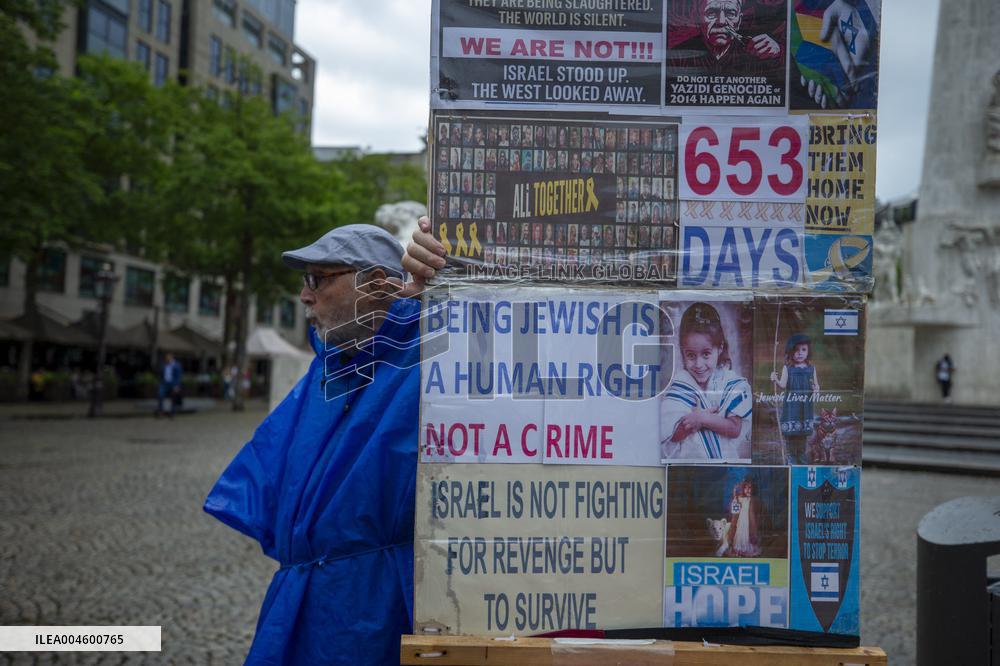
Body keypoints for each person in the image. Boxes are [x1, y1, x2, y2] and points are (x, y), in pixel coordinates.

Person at [204, 224, 422, 665]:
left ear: (378, 284)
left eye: (318, 279)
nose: (305, 296)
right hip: (304, 608)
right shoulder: (328, 372)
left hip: (376, 612)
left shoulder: (431, 361)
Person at [660, 302, 752, 461]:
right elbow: (672, 435)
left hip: (725, 466)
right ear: (682, 352)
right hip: (689, 466)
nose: (698, 364)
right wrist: (690, 424)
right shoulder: (681, 384)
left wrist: (702, 419)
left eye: (706, 354)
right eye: (690, 355)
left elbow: (735, 428)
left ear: (720, 348)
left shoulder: (731, 383)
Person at [771, 333, 819, 464]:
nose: (800, 353)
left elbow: (816, 385)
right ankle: (791, 455)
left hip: (805, 406)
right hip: (792, 405)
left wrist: (816, 390)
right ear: (790, 352)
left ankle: (801, 454)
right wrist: (775, 380)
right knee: (791, 431)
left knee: (802, 432)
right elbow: (783, 385)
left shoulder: (811, 369)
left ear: (808, 352)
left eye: (803, 350)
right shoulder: (788, 368)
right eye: (796, 350)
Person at [727, 477, 760, 557]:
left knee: (747, 534)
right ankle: (739, 549)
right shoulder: (740, 498)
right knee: (740, 533)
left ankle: (747, 549)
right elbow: (734, 508)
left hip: (748, 522)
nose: (748, 490)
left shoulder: (752, 500)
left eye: (750, 488)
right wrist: (734, 492)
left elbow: (755, 515)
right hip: (740, 521)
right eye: (745, 488)